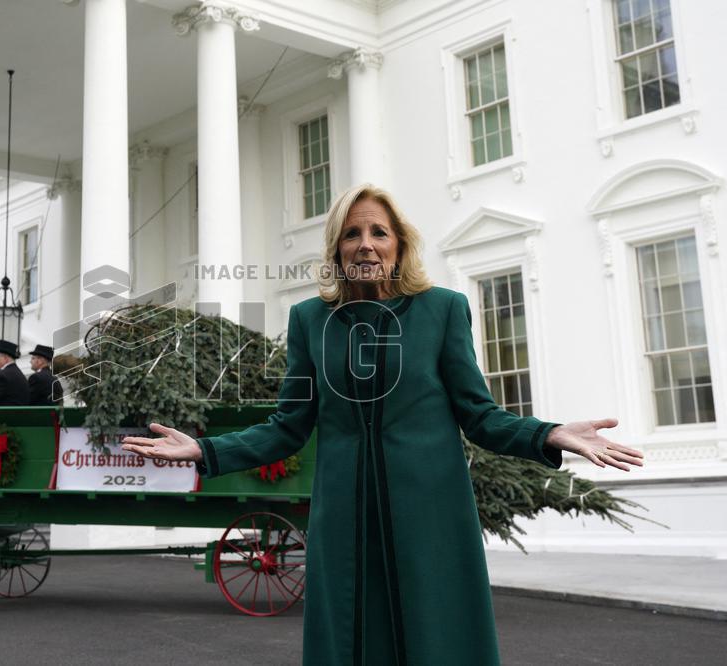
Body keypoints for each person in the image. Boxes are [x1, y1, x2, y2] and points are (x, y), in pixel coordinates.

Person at [122, 183, 644, 666]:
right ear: (336, 250)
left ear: (399, 245)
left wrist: (548, 434)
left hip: (430, 515)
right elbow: (287, 426)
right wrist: (205, 451)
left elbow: (479, 416)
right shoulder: (309, 321)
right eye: (352, 234)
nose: (366, 244)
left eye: (379, 232)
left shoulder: (442, 310)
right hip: (344, 519)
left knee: (436, 640)